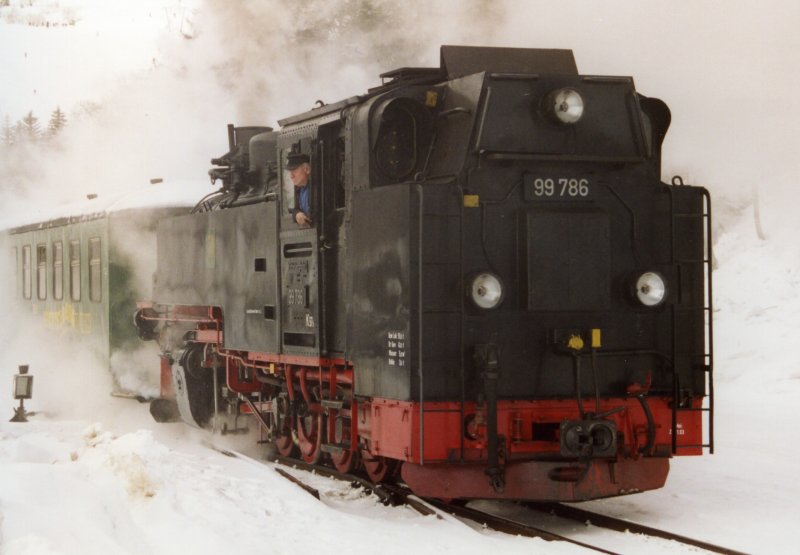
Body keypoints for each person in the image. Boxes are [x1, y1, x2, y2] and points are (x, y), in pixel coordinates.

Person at [286, 152, 312, 227]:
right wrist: (297, 214)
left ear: (307, 169)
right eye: (290, 172)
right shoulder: (299, 188)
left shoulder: (319, 187)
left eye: (294, 170)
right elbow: (295, 209)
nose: (291, 176)